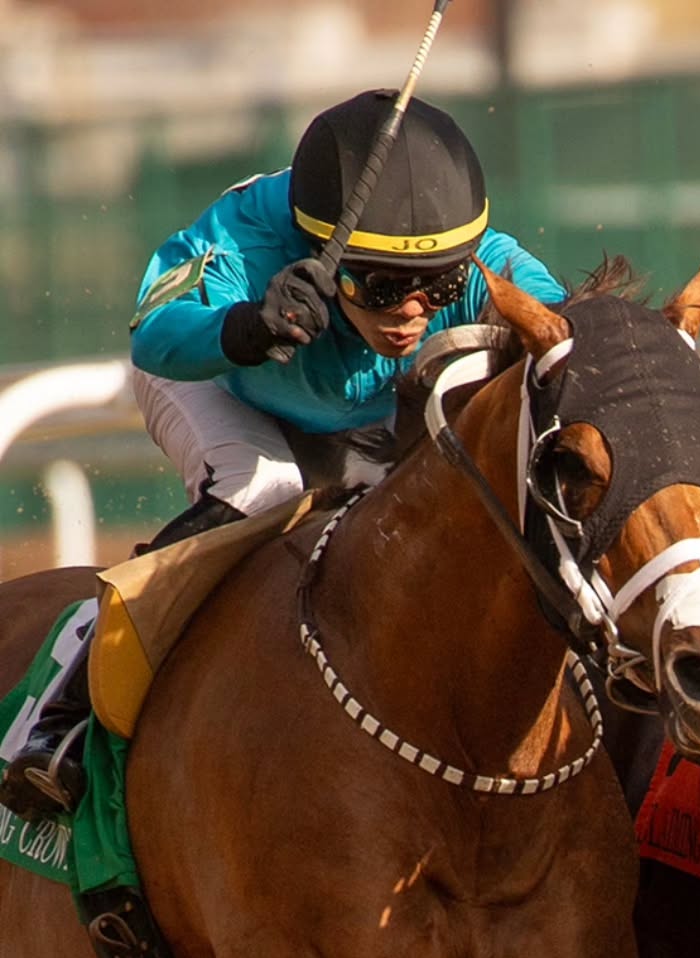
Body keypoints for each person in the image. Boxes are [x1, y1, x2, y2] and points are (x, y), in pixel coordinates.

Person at [0, 89, 564, 821]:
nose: (412, 313)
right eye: (384, 286)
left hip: (367, 414)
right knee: (264, 488)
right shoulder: (246, 237)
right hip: (220, 385)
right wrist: (244, 327)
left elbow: (570, 327)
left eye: (440, 286)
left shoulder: (484, 261)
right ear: (319, 251)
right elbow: (157, 331)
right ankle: (60, 715)